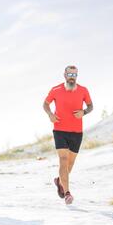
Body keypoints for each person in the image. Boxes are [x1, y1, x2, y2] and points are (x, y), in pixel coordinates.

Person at [43, 66, 93, 205]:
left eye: (75, 74)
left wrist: (84, 112)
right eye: (70, 74)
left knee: (70, 164)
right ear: (64, 75)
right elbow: (46, 104)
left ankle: (59, 181)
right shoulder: (56, 89)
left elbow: (90, 106)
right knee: (63, 160)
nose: (72, 77)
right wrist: (50, 114)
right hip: (59, 130)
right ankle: (67, 193)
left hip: (77, 132)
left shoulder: (83, 90)